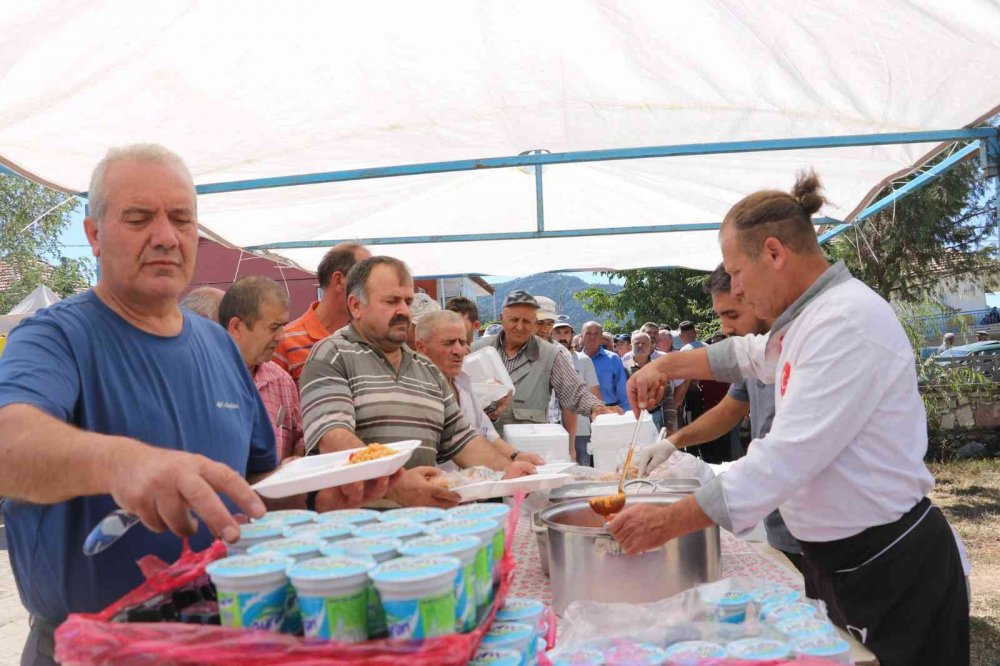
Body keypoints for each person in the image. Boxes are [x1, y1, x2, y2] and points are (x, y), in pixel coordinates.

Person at [0, 145, 389, 666]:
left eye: (182, 219)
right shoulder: (54, 338)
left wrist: (315, 496)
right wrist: (126, 462)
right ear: (93, 234)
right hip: (91, 648)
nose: (165, 236)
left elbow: (250, 488)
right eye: (138, 218)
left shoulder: (218, 346)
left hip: (223, 632)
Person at [616, 172, 968, 664]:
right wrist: (663, 364)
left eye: (737, 272)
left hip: (888, 565)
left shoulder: (844, 322)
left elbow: (782, 458)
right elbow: (745, 355)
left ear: (775, 253)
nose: (735, 289)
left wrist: (670, 522)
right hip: (842, 560)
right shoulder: (807, 321)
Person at [300, 257, 535, 509]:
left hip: (426, 527)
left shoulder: (426, 369)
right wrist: (397, 486)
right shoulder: (332, 354)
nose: (404, 311)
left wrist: (508, 470)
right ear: (356, 305)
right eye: (391, 301)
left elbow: (462, 438)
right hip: (357, 532)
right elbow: (333, 436)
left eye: (407, 301)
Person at [413, 310, 544, 467]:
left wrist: (516, 456)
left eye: (462, 342)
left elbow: (485, 431)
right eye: (448, 343)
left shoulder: (464, 383)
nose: (458, 351)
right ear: (421, 347)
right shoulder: (414, 391)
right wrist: (508, 466)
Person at [472, 291, 614, 431]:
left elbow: (574, 390)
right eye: (514, 320)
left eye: (527, 321)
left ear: (533, 322)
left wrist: (595, 407)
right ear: (502, 318)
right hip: (484, 445)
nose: (520, 327)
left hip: (530, 446)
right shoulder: (477, 350)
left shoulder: (550, 354)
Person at [220, 276, 305, 461]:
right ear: (236, 327)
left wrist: (298, 458)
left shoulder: (281, 380)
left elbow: (300, 438)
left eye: (282, 326)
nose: (281, 337)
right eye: (273, 327)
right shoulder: (204, 377)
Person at [273, 242, 371, 383]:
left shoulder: (369, 340)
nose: (373, 289)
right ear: (339, 281)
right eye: (366, 280)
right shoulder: (284, 342)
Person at [552, 320, 602, 463]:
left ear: (573, 335)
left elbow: (594, 394)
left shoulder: (584, 360)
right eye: (558, 332)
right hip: (554, 429)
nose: (562, 337)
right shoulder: (547, 357)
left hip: (581, 430)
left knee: (582, 473)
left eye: (566, 332)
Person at [624, 332, 676, 434]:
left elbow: (668, 398)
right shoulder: (623, 368)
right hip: (630, 419)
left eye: (644, 343)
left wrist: (669, 424)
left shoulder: (659, 369)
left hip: (655, 418)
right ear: (631, 346)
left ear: (651, 346)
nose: (640, 345)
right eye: (637, 343)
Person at [582, 321, 631, 413]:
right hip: (582, 415)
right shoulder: (574, 360)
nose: (592, 337)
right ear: (582, 336)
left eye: (596, 333)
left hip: (610, 412)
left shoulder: (613, 359)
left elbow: (623, 393)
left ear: (601, 337)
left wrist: (626, 415)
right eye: (588, 333)